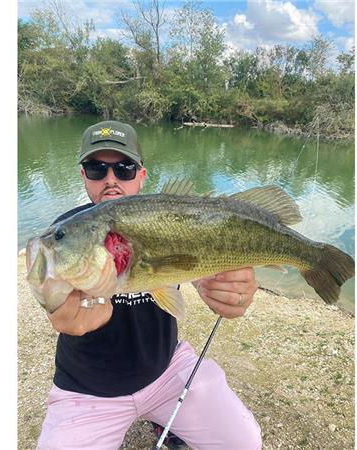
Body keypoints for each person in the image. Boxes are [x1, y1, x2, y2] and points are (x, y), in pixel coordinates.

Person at [37, 120, 262, 450]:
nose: (111, 179)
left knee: (245, 442)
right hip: (87, 389)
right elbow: (55, 297)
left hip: (166, 371)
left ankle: (163, 418)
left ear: (141, 175)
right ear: (83, 175)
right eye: (97, 168)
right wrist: (65, 313)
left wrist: (234, 289)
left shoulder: (172, 217)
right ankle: (162, 422)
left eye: (124, 168)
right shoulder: (68, 233)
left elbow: (204, 263)